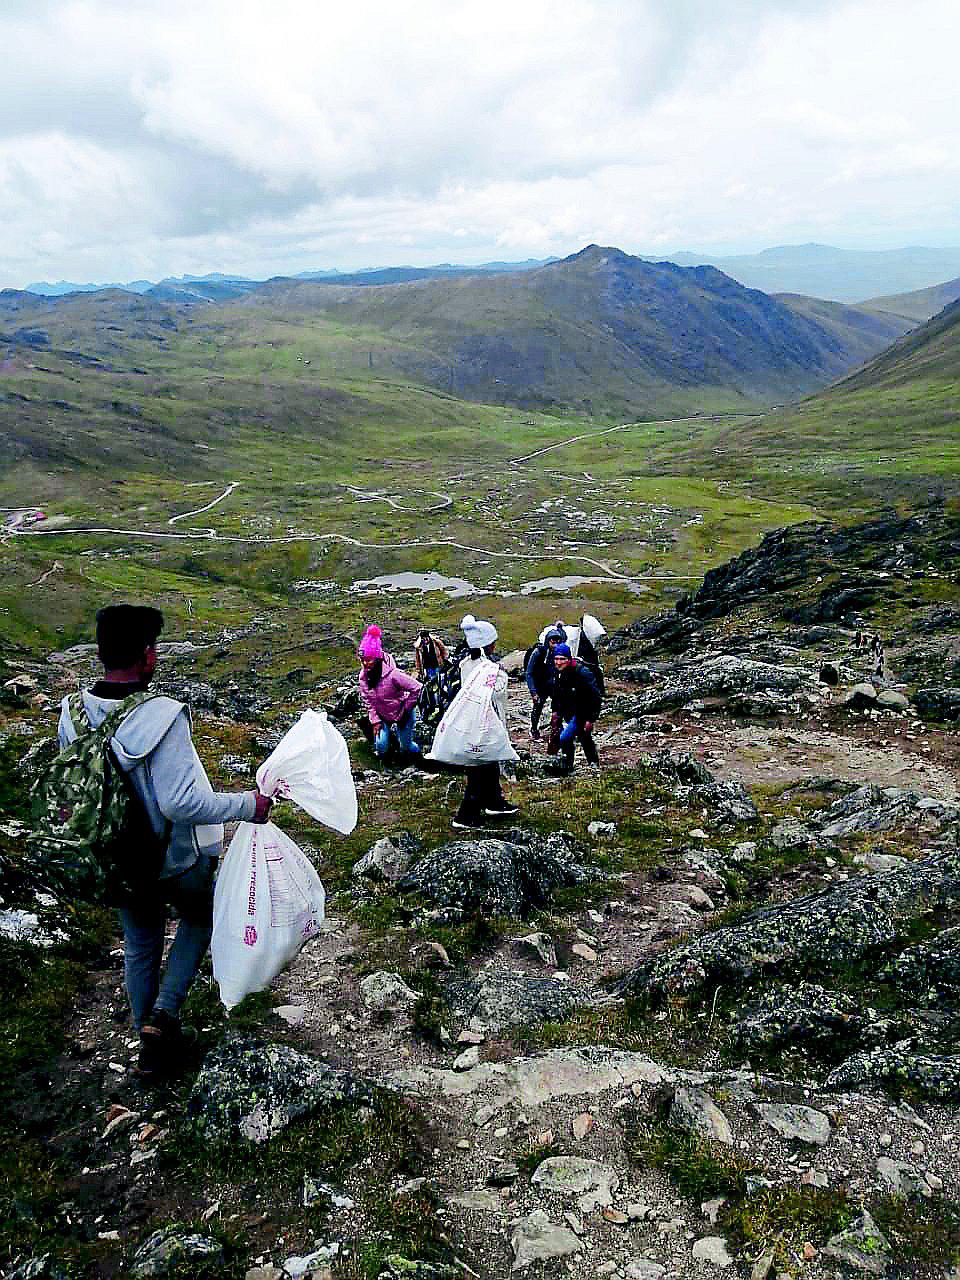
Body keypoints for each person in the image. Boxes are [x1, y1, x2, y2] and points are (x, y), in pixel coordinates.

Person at [57, 605, 273, 1081]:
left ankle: (145, 1037)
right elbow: (182, 804)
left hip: (114, 858)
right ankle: (164, 1015)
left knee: (139, 942)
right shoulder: (162, 716)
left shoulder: (72, 715)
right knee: (199, 917)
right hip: (173, 858)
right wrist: (248, 805)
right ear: (148, 655)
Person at [452, 615, 518, 829]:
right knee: (479, 769)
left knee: (489, 764)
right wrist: (502, 678)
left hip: (474, 722)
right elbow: (492, 693)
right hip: (482, 723)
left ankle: (494, 803)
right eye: (493, 642)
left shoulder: (466, 664)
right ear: (486, 645)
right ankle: (465, 816)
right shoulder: (485, 668)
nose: (495, 645)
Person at [357, 624, 423, 761]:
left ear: (377, 658)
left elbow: (417, 688)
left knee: (406, 746)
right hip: (383, 715)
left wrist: (406, 708)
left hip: (403, 713)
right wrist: (375, 721)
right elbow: (368, 702)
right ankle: (385, 763)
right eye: (362, 660)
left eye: (368, 659)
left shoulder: (393, 675)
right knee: (381, 745)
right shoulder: (363, 678)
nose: (365, 664)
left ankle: (418, 758)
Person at [546, 643, 602, 773]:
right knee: (583, 736)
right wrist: (555, 711)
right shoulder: (558, 673)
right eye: (556, 659)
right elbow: (556, 694)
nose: (558, 662)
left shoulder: (582, 673)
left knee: (565, 737)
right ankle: (578, 763)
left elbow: (595, 697)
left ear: (569, 659)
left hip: (582, 713)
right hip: (568, 711)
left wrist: (591, 719)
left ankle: (580, 763)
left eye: (562, 659)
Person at [524, 625, 565, 740]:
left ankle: (558, 726)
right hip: (540, 685)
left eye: (558, 640)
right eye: (553, 640)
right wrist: (533, 692)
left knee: (558, 705)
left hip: (553, 684)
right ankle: (534, 728)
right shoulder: (538, 652)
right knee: (538, 706)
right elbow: (529, 672)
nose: (555, 643)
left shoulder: (559, 653)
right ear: (548, 640)